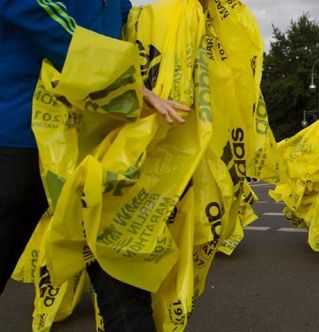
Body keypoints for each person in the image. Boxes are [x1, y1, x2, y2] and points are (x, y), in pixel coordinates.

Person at [0, 1, 189, 331]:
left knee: (121, 279)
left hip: (98, 141)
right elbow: (35, 11)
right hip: (22, 132)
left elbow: (128, 28)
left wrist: (191, 16)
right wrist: (123, 79)